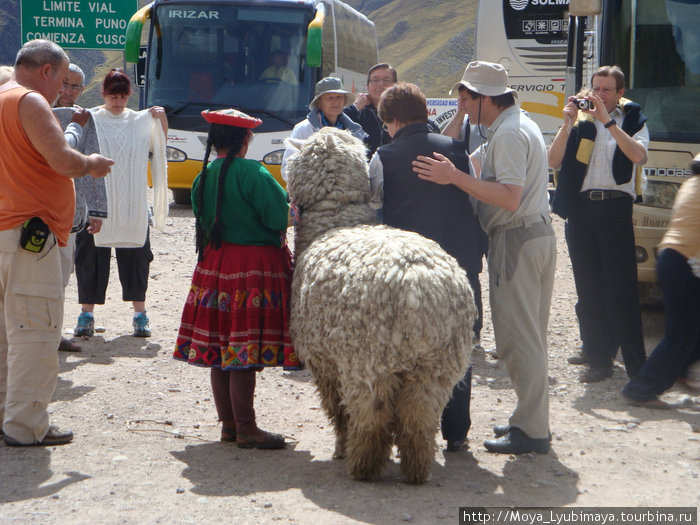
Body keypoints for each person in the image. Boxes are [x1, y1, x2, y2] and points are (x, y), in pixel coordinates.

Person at [413, 61, 556, 455]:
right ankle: (531, 420)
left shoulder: (508, 134)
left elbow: (508, 197)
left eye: (465, 98)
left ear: (485, 99)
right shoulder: (513, 125)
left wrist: (454, 179)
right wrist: (456, 144)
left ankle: (531, 431)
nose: (461, 103)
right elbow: (464, 157)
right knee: (532, 336)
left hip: (516, 238)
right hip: (534, 235)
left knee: (518, 339)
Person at [0, 39, 112, 446]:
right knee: (35, 332)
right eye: (63, 78)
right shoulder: (29, 101)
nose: (61, 88)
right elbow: (63, 160)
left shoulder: (1, 97)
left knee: (5, 332)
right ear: (46, 70)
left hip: (4, 231)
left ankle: (6, 417)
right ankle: (26, 426)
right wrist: (92, 165)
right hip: (31, 237)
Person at [173, 108, 298, 448]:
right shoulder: (253, 173)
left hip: (215, 267)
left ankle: (229, 425)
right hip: (253, 268)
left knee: (222, 348)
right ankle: (247, 428)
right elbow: (278, 217)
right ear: (245, 139)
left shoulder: (202, 176)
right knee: (242, 346)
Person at [369, 82, 478, 452]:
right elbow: (474, 199)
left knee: (406, 351)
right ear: (426, 114)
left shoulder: (383, 156)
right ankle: (457, 432)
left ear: (392, 120)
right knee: (457, 346)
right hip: (459, 265)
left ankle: (411, 433)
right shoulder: (456, 149)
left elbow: (373, 208)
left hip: (410, 272)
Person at [548, 65, 648, 383]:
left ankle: (636, 365)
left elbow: (638, 156)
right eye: (595, 88)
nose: (599, 95)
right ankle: (597, 356)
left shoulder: (632, 120)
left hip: (616, 208)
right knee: (587, 288)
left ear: (620, 93)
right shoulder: (580, 120)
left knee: (621, 290)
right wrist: (566, 124)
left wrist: (608, 121)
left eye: (606, 90)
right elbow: (552, 162)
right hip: (581, 210)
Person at [73, 69, 168, 339]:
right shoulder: (91, 117)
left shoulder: (139, 120)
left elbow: (160, 142)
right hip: (96, 200)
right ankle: (86, 314)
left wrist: (161, 119)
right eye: (113, 95)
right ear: (104, 94)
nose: (118, 101)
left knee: (137, 255)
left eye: (123, 96)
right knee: (89, 257)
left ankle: (140, 314)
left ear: (129, 95)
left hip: (131, 201)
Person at [621, 153, 700, 407]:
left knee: (688, 329)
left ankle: (680, 369)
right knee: (679, 334)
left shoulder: (691, 185)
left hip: (676, 260)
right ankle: (641, 389)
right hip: (683, 263)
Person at [53, 63, 108, 353]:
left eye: (75, 86)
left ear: (82, 90)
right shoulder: (36, 111)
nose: (68, 91)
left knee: (62, 273)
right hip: (31, 208)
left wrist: (96, 210)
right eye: (65, 83)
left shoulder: (85, 119)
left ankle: (54, 332)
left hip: (70, 212)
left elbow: (92, 163)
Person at [441, 82, 492, 351]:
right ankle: (473, 331)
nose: (463, 103)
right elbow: (445, 143)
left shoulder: (502, 126)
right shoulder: (466, 123)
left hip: (495, 208)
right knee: (470, 270)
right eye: (459, 99)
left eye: (466, 99)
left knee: (498, 275)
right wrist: (460, 114)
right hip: (471, 211)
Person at [281, 77, 366, 182]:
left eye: (339, 97)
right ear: (319, 103)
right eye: (330, 98)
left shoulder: (355, 132)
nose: (335, 102)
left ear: (344, 101)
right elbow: (287, 170)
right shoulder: (303, 129)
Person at [344, 63, 397, 159]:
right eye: (375, 80)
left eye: (386, 80)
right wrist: (354, 108)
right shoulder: (358, 113)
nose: (381, 84)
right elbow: (334, 126)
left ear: (395, 85)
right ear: (367, 86)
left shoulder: (404, 113)